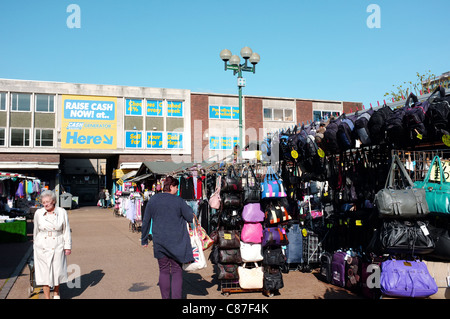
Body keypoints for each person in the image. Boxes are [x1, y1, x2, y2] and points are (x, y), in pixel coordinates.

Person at [141, 176, 194, 299]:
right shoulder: (179, 201)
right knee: (176, 270)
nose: (177, 190)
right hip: (177, 242)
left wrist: (144, 239)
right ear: (171, 187)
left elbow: (145, 221)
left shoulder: (153, 200)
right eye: (176, 187)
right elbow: (190, 217)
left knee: (163, 270)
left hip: (159, 241)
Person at [33, 190, 72, 299]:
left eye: (48, 201)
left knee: (57, 271)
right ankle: (47, 297)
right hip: (42, 245)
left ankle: (56, 293)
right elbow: (36, 230)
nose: (45, 204)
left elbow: (66, 230)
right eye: (43, 202)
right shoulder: (38, 213)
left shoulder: (62, 212)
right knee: (44, 273)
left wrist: (67, 246)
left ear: (54, 201)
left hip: (57, 243)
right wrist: (35, 245)